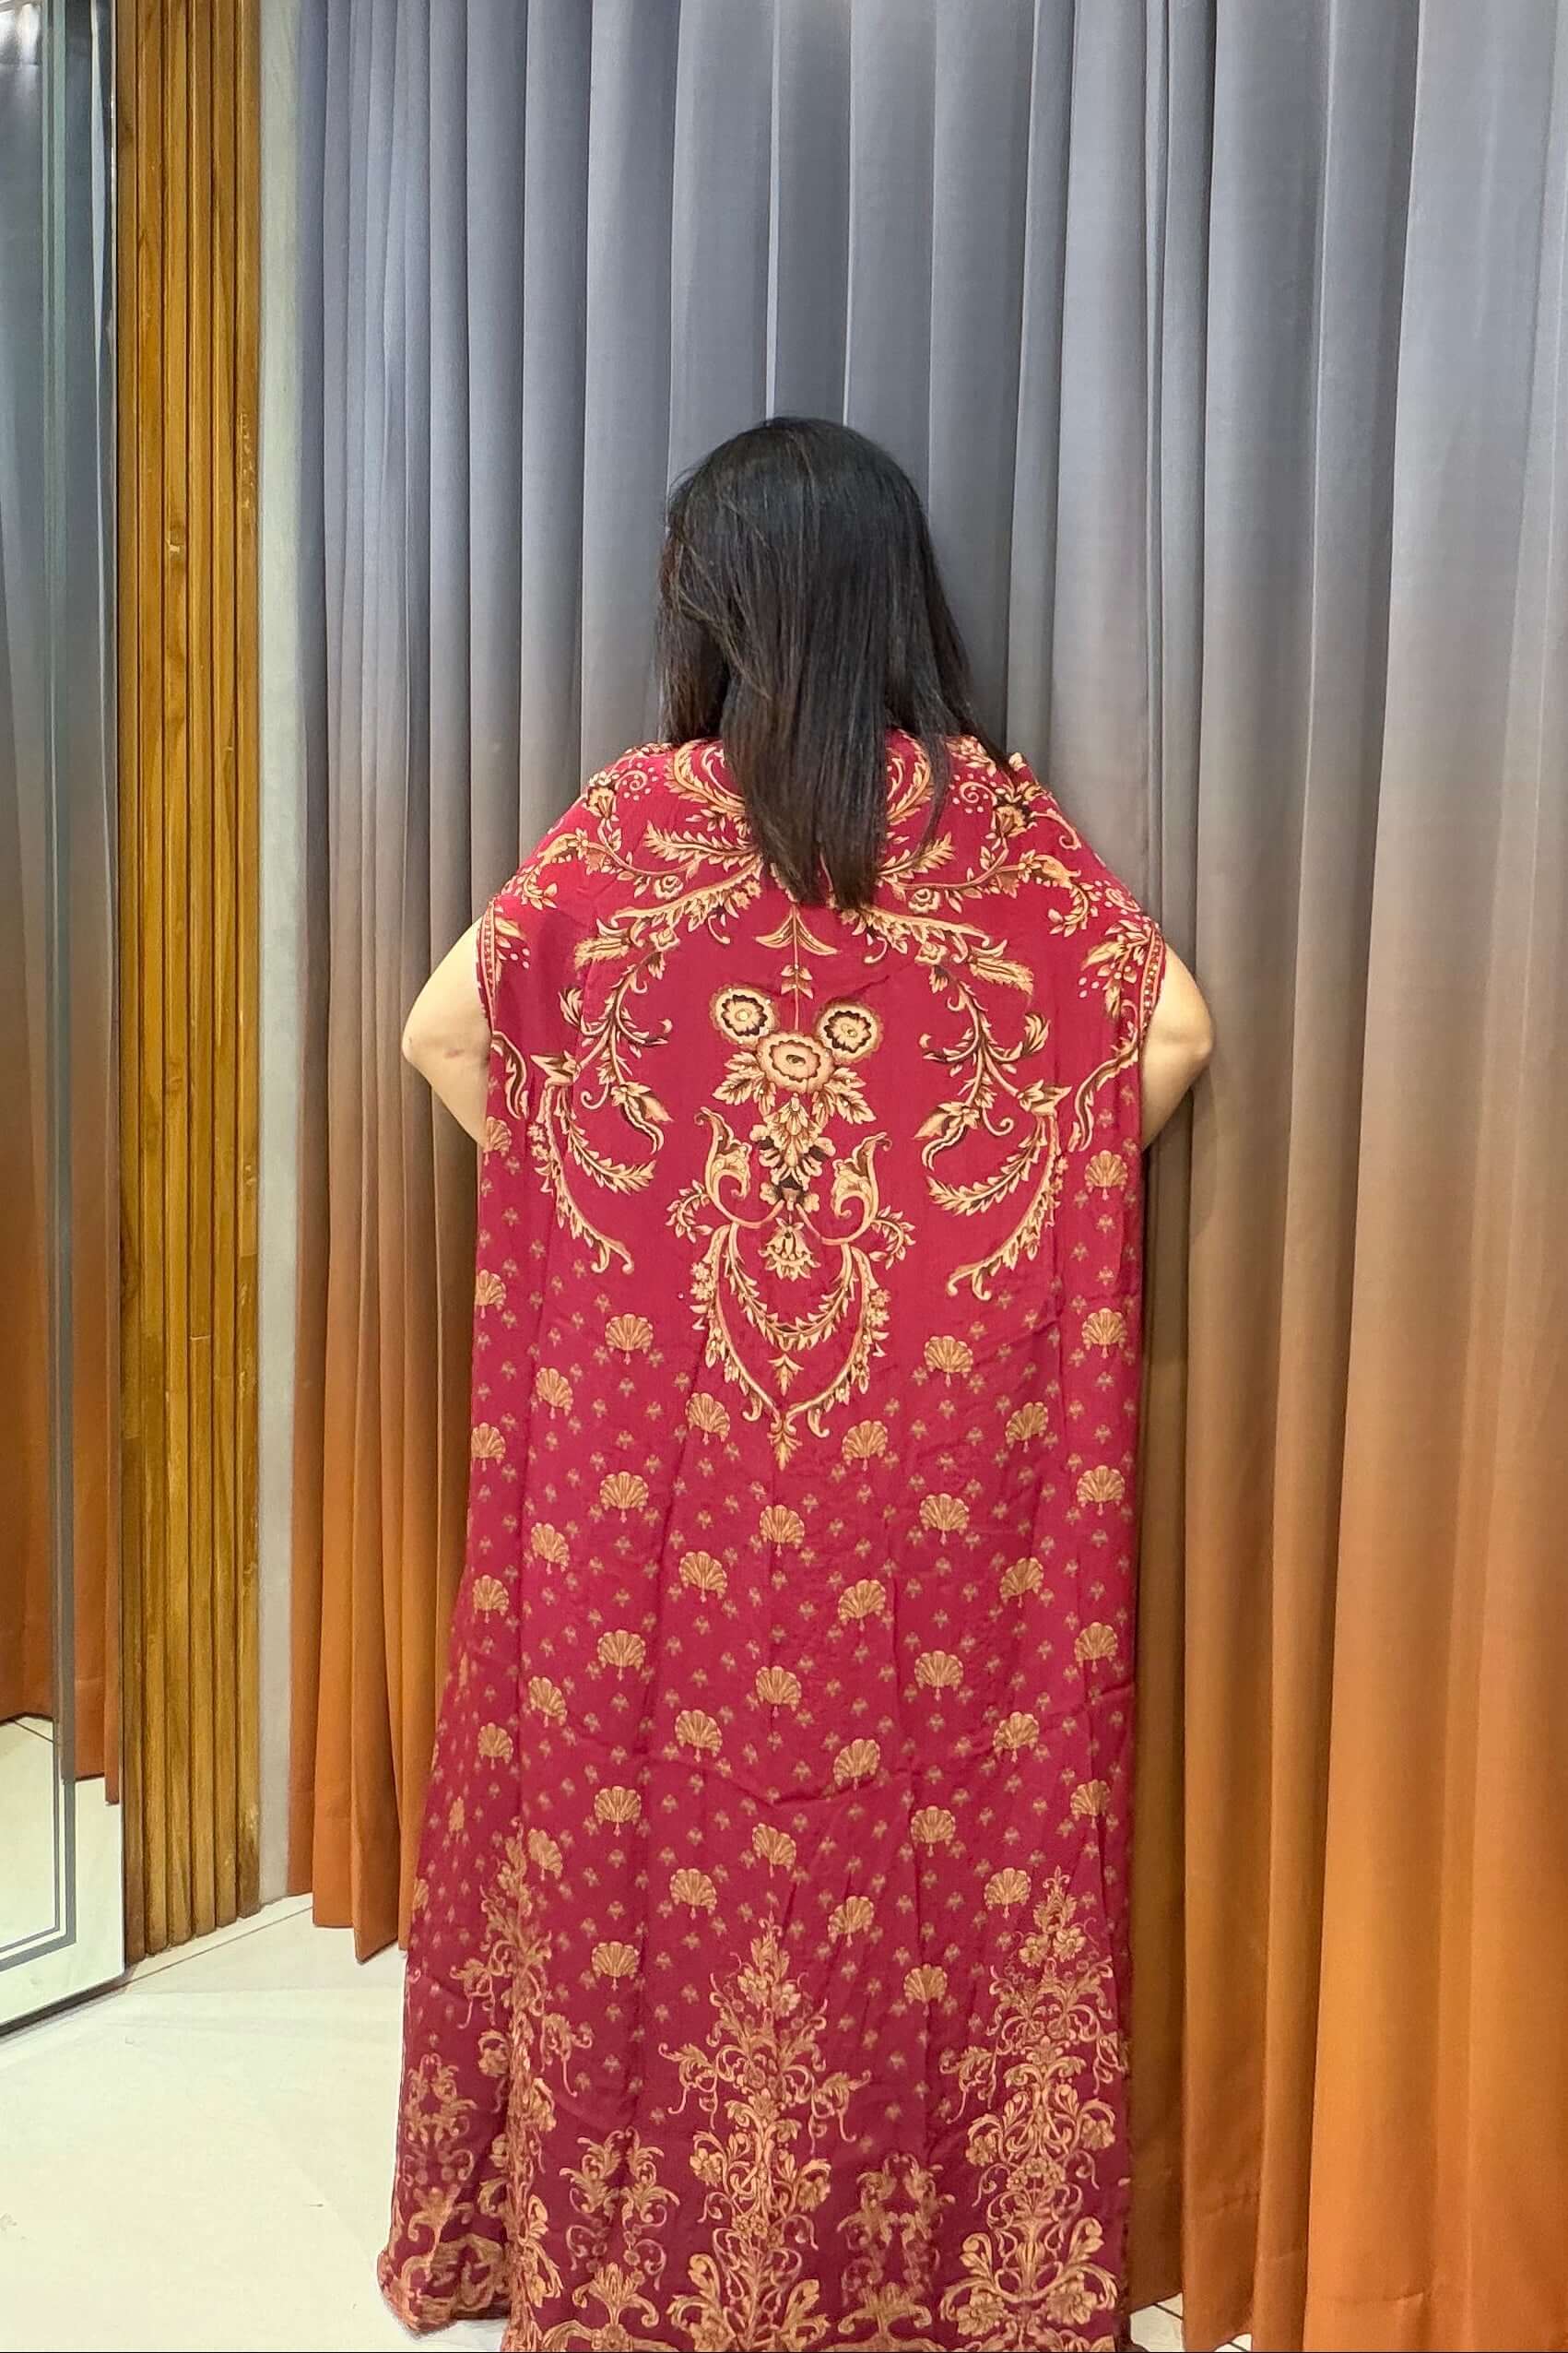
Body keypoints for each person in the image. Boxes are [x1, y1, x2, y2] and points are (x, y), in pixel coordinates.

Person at [384, 418, 1212, 2352]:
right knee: (929, 1840)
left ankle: (637, 2245)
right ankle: (923, 2272)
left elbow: (445, 1036)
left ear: (718, 607)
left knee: (637, 1824)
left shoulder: (642, 821)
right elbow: (1162, 1031)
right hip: (926, 1460)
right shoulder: (986, 825)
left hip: (657, 1455)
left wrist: (626, 1231)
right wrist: (962, 1261)